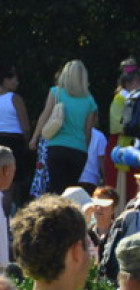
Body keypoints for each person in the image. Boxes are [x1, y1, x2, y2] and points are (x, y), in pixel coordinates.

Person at [29, 60, 98, 194]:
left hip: (57, 147)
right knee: (70, 192)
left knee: (56, 189)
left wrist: (34, 137)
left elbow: (44, 116)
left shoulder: (56, 92)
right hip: (78, 150)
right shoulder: (90, 100)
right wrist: (85, 149)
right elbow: (88, 131)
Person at [0, 63, 31, 206]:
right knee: (12, 183)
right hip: (14, 142)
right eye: (11, 78)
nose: (16, 81)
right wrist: (27, 144)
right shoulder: (14, 98)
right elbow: (25, 126)